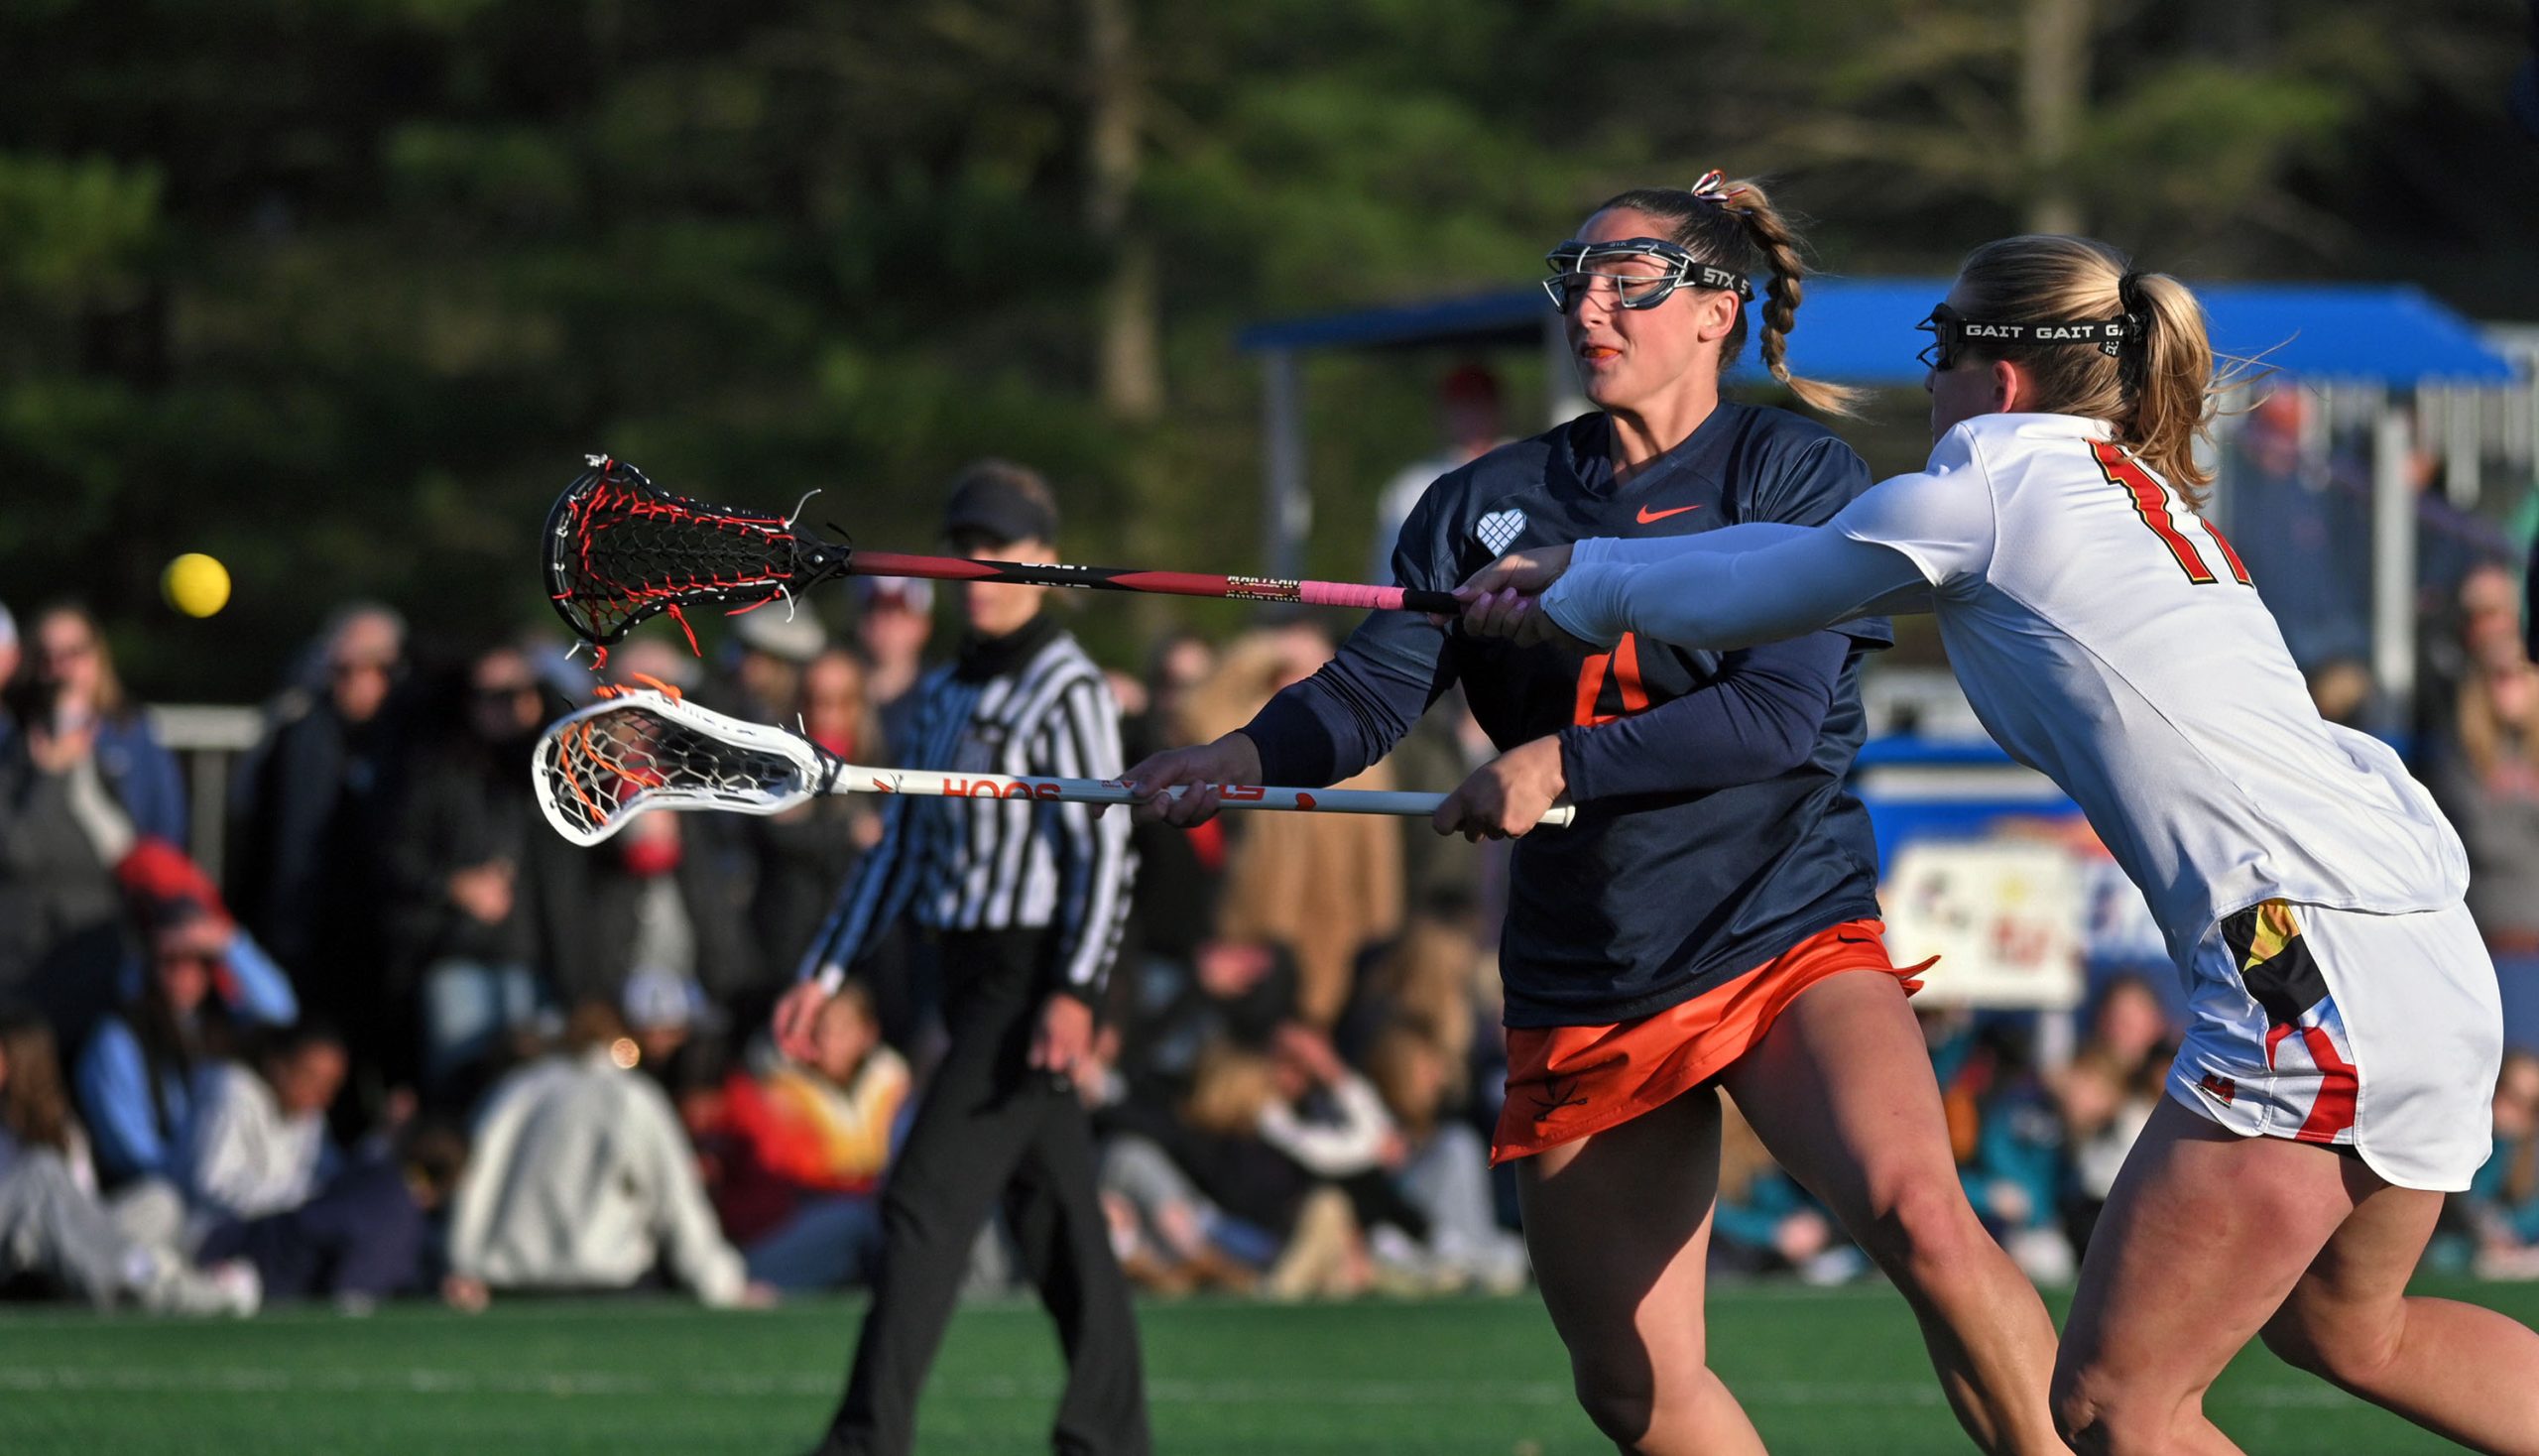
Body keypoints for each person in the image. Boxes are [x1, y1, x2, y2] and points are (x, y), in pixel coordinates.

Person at [1459, 232, 2539, 1454]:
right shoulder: (2121, 490)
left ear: (2001, 376)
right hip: (2416, 953)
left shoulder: (1984, 489)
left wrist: (1575, 583)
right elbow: (1788, 559)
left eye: (1941, 350)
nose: (1929, 381)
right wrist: (1582, 564)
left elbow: (1752, 596)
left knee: (2110, 1410)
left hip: (2305, 968)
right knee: (2354, 1332)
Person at [1124, 173, 2060, 1455]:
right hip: (1590, 964)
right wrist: (1232, 752)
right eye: (1578, 282)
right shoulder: (1482, 501)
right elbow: (1371, 692)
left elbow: (1778, 715)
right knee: (1632, 1387)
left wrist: (1558, 761)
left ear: (1718, 309)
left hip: (1780, 925)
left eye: (1632, 284)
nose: (1593, 310)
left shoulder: (1795, 468)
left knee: (1921, 1218)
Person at [774, 460, 1146, 1456]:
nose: (980, 568)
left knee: (921, 1200)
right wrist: (825, 968)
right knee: (1056, 1220)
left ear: (1042, 560)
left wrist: (1075, 990)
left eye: (1003, 550)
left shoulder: (1066, 685)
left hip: (1026, 981)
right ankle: (1111, 1436)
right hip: (963, 968)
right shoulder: (939, 693)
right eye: (967, 548)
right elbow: (900, 846)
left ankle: (864, 1439)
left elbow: (1103, 847)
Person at [447, 1001, 768, 1308]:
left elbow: (475, 1184)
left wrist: (462, 1266)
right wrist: (723, 1284)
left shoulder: (514, 1093)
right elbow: (676, 1198)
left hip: (514, 1284)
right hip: (608, 1284)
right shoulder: (632, 1097)